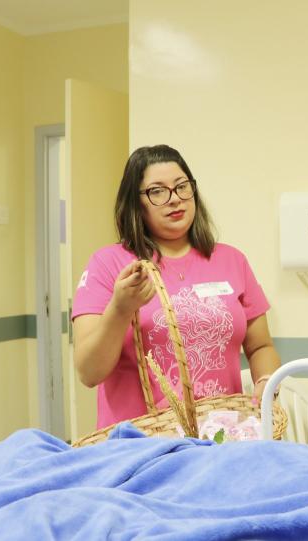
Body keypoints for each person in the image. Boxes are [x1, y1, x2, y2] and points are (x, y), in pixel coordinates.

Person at [72, 145, 280, 429]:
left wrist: (267, 383)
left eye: (182, 186)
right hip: (140, 444)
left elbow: (260, 346)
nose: (174, 199)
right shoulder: (109, 264)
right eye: (157, 191)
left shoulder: (231, 259)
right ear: (136, 202)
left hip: (218, 439)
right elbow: (89, 372)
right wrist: (120, 310)